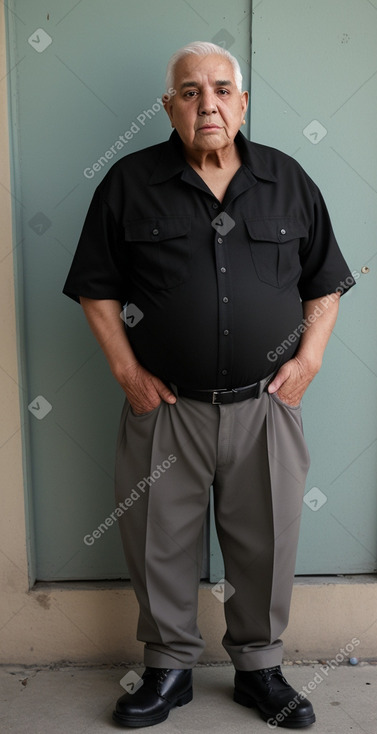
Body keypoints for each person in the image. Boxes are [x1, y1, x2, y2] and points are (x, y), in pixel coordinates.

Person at [63, 41, 355, 729]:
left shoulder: (287, 180)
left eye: (221, 89)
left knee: (268, 541)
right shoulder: (128, 184)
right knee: (156, 541)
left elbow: (326, 283)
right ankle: (167, 671)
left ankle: (260, 671)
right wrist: (126, 373)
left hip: (265, 406)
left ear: (242, 103)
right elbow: (96, 291)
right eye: (190, 92)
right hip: (166, 408)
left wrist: (308, 359)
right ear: (168, 107)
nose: (208, 104)